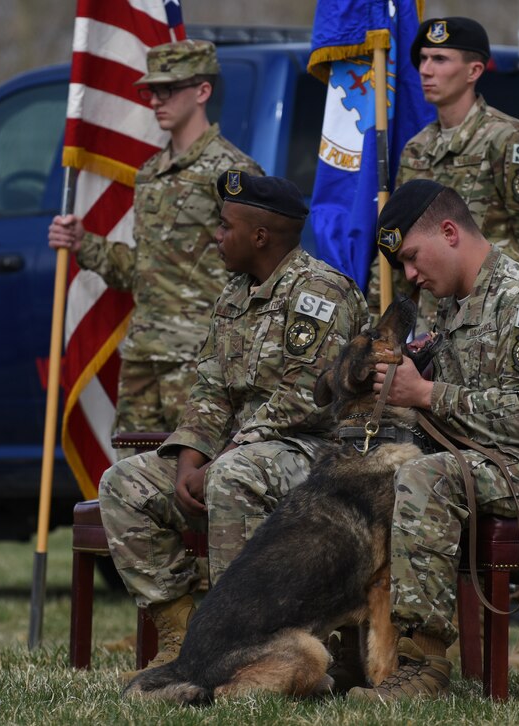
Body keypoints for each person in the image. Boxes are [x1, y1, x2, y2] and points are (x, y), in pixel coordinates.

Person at [348, 180, 519, 701]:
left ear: (449, 233)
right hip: (505, 460)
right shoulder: (456, 306)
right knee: (376, 467)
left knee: (426, 477)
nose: (409, 276)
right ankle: (353, 649)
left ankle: (422, 666)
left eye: (411, 258)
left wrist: (425, 392)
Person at [99, 171, 369, 679]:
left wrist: (218, 462)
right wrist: (188, 460)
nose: (215, 238)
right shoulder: (234, 296)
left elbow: (303, 402)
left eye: (224, 227)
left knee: (233, 477)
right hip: (243, 453)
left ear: (259, 236)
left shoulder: (321, 294)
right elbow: (211, 390)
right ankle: (184, 636)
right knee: (124, 484)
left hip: (317, 457)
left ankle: (246, 647)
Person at [370, 16, 519, 667]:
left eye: (440, 57)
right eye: (422, 59)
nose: (426, 69)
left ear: (475, 68)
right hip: (448, 326)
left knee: (511, 442)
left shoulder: (511, 141)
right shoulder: (416, 150)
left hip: (511, 316)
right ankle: (393, 632)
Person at [48, 39, 263, 437]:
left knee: (196, 478)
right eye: (152, 91)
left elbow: (263, 266)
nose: (156, 101)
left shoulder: (232, 172)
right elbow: (142, 269)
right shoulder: (148, 173)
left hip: (201, 358)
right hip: (144, 356)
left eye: (169, 89)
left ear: (202, 91)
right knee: (133, 481)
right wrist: (85, 243)